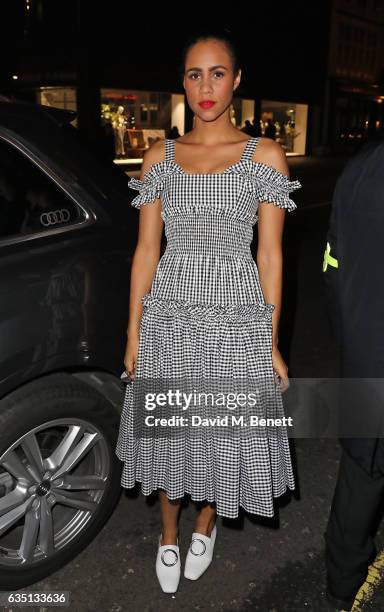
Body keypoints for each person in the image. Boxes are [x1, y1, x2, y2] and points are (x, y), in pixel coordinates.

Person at [115, 28, 301, 594]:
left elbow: (270, 256)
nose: (206, 86)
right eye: (194, 74)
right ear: (183, 82)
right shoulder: (159, 157)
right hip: (171, 314)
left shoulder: (264, 156)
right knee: (172, 431)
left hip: (238, 316)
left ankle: (207, 521)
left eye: (217, 73)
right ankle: (168, 534)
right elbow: (147, 251)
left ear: (237, 80)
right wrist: (133, 333)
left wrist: (269, 341)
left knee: (222, 430)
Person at [322, 130, 384, 611]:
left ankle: (340, 591)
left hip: (364, 362)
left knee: (359, 482)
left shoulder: (358, 170)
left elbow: (333, 271)